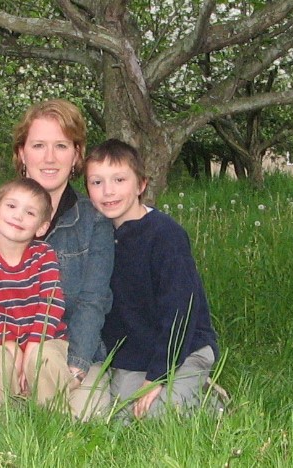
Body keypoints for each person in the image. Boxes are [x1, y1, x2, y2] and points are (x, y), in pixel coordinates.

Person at [0, 99, 114, 419]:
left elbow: (93, 301)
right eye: (39, 145)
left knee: (82, 419)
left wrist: (74, 370)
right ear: (22, 153)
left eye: (61, 146)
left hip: (67, 353)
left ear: (76, 155)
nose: (49, 157)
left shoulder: (93, 221)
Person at [84, 138, 220, 420]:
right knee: (122, 420)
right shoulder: (97, 237)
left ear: (141, 185)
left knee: (158, 416)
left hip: (183, 350)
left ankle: (209, 397)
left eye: (119, 179)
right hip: (133, 358)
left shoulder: (165, 235)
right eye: (97, 182)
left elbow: (180, 311)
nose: (108, 191)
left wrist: (158, 376)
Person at [0, 178, 71, 415]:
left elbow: (51, 302)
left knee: (45, 361)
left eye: (30, 212)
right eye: (11, 206)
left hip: (46, 337)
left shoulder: (44, 255)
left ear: (42, 227)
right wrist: (10, 345)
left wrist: (33, 346)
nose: (18, 216)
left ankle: (52, 423)